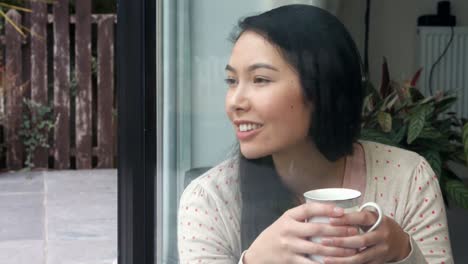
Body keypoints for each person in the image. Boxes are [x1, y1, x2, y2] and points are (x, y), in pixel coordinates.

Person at [177, 4, 453, 264]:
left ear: (324, 91)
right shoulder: (209, 201)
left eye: (260, 80)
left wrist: (404, 251)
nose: (235, 101)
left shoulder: (407, 178)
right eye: (232, 81)